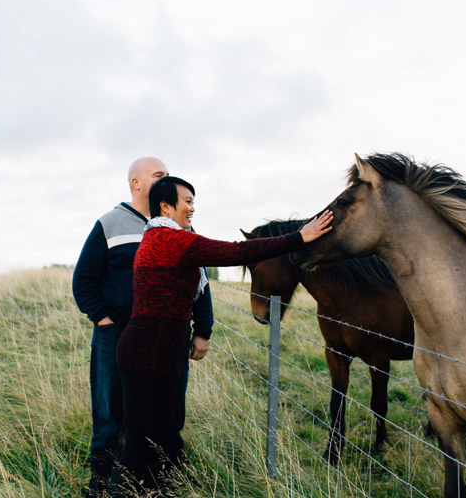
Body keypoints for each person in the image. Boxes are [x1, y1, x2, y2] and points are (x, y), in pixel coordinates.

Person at [112, 176, 333, 495]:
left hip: (157, 352)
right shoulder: (171, 240)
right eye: (187, 201)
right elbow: (238, 252)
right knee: (142, 443)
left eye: (193, 201)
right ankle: (127, 490)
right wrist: (298, 238)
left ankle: (156, 488)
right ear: (165, 205)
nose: (192, 208)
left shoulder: (161, 237)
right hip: (148, 354)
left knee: (158, 435)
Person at [72, 158, 214, 498]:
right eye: (159, 175)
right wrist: (105, 320)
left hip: (168, 336)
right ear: (136, 183)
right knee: (110, 408)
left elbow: (201, 283)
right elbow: (84, 279)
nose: (167, 181)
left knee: (168, 408)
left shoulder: (181, 229)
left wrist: (202, 330)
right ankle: (103, 478)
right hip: (117, 333)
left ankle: (163, 476)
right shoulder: (110, 223)